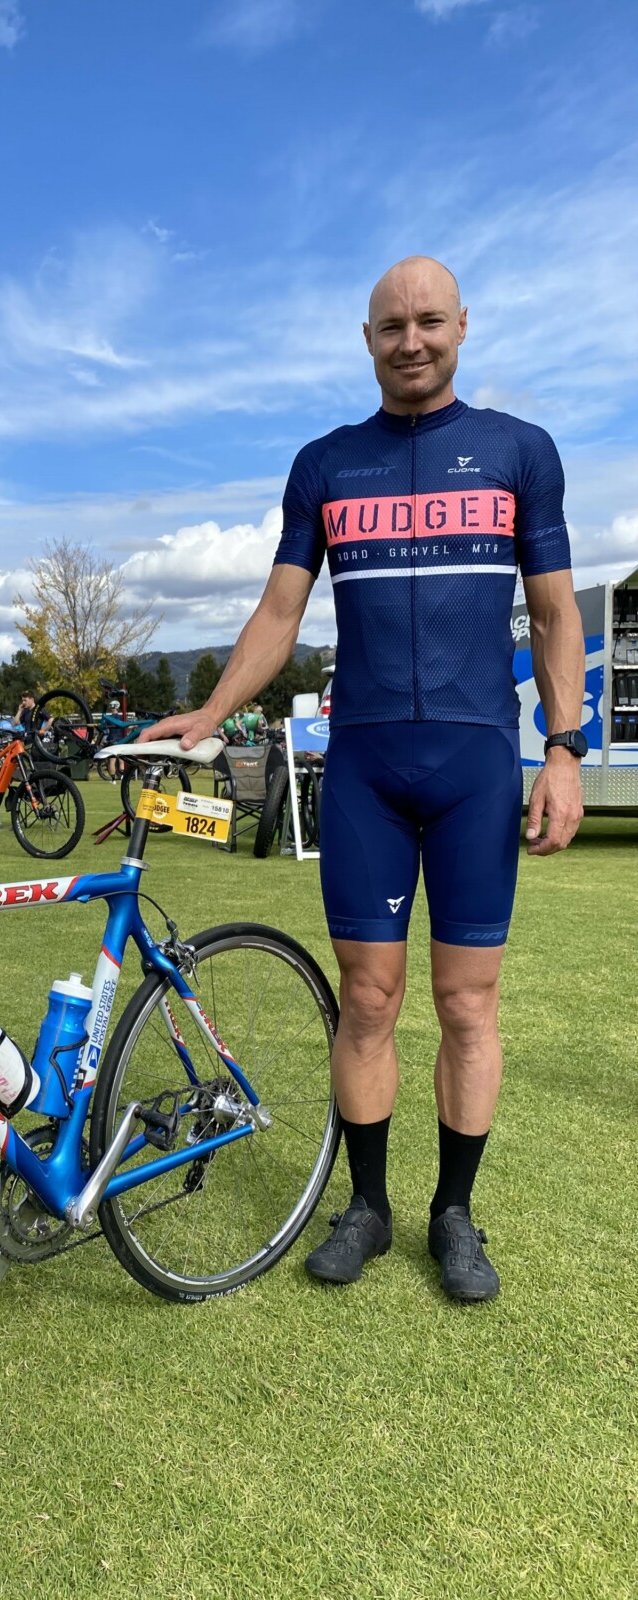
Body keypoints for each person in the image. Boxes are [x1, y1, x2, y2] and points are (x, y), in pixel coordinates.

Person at [141, 256, 585, 1303]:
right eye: (392, 326)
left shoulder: (522, 452)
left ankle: (454, 1215)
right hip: (369, 767)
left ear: (463, 325)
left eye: (430, 321)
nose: (412, 341)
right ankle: (370, 1206)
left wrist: (563, 749)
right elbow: (279, 613)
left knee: (469, 1004)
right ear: (367, 336)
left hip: (478, 760)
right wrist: (210, 711)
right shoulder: (327, 465)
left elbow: (559, 611)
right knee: (370, 998)